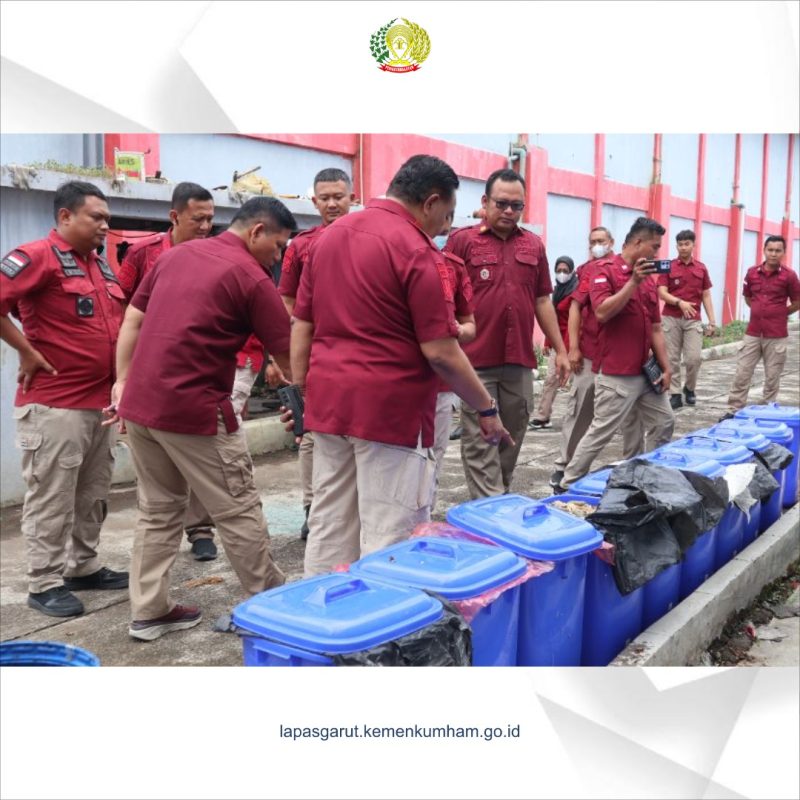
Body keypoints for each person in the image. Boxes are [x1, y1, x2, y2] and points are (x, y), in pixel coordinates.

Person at [291, 155, 512, 576]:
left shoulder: (328, 238)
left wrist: (305, 391)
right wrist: (486, 408)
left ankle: (320, 619)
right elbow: (441, 352)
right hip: (390, 412)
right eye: (445, 215)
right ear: (430, 202)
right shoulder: (415, 250)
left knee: (329, 523)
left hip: (329, 403)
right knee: (389, 532)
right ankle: (380, 631)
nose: (444, 226)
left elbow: (302, 323)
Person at [108, 196, 295, 641]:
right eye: (278, 245)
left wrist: (122, 381)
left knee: (158, 511)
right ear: (257, 232)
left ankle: (149, 611)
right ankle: (270, 605)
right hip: (195, 411)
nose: (279, 256)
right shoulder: (251, 277)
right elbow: (291, 356)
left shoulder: (177, 255)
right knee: (238, 508)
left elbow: (133, 318)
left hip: (141, 408)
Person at [0, 181, 129, 617]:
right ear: (65, 217)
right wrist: (26, 350)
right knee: (52, 495)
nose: (105, 226)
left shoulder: (101, 265)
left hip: (99, 403)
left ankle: (83, 567)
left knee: (92, 492)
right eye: (97, 217)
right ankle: (44, 582)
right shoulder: (35, 256)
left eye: (108, 218)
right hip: (56, 404)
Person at [117, 181, 225, 561]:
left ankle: (199, 530)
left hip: (196, 374)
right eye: (198, 219)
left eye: (211, 219)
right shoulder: (143, 255)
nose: (205, 227)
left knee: (201, 449)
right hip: (149, 377)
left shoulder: (216, 255)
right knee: (157, 473)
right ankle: (160, 536)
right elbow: (123, 312)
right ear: (174, 216)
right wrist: (122, 375)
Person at [444, 168, 569, 498]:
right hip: (474, 363)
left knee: (510, 440)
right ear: (485, 202)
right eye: (502, 204)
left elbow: (543, 299)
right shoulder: (462, 241)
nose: (510, 212)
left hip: (518, 362)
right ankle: (491, 512)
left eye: (517, 206)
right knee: (481, 443)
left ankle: (494, 504)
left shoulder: (533, 245)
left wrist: (561, 350)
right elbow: (445, 297)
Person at [558, 217, 675, 490]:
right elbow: (602, 312)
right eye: (654, 247)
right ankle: (567, 482)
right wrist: (632, 282)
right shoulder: (604, 271)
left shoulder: (647, 280)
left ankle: (644, 477)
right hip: (616, 374)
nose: (657, 253)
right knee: (601, 432)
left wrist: (666, 367)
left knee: (665, 421)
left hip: (646, 372)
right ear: (638, 242)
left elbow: (656, 328)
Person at [278, 168, 355, 541]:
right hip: (315, 355)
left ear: (352, 197)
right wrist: (290, 360)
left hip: (357, 355)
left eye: (338, 196)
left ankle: (350, 508)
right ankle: (313, 508)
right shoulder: (301, 246)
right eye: (324, 197)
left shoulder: (365, 239)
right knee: (310, 436)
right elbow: (287, 302)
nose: (331, 203)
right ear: (314, 201)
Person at [549, 228, 615, 488]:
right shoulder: (585, 272)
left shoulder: (623, 269)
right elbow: (576, 309)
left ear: (612, 243)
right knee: (578, 411)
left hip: (617, 356)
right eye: (593, 242)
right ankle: (563, 465)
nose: (597, 246)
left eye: (601, 241)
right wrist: (573, 348)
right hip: (588, 353)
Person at [431, 211, 476, 510]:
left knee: (434, 453)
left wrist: (460, 331)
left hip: (440, 380)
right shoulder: (389, 258)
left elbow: (470, 324)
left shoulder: (455, 268)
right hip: (396, 382)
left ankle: (426, 512)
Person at [726, 235, 800, 413]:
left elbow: (797, 302)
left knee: (772, 376)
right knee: (742, 372)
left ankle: (767, 410)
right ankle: (733, 410)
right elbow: (748, 297)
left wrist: (780, 313)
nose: (773, 254)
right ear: (764, 250)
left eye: (777, 250)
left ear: (783, 252)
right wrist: (760, 311)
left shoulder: (789, 276)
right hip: (753, 333)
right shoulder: (752, 273)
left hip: (776, 335)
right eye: (770, 250)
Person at [657, 229, 717, 409]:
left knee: (693, 358)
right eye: (680, 244)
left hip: (693, 319)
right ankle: (675, 393)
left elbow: (706, 295)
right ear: (676, 245)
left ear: (693, 245)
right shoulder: (667, 266)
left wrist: (712, 321)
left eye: (687, 244)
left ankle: (689, 388)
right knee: (672, 358)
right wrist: (679, 302)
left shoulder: (701, 267)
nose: (683, 248)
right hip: (671, 317)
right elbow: (661, 292)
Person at [530, 256, 577, 428]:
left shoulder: (576, 292)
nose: (562, 274)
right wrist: (548, 343)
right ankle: (543, 416)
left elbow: (576, 322)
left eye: (565, 270)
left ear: (572, 271)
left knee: (579, 384)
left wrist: (569, 348)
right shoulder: (557, 291)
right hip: (559, 344)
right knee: (551, 378)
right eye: (559, 270)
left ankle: (582, 418)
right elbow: (553, 320)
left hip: (575, 344)